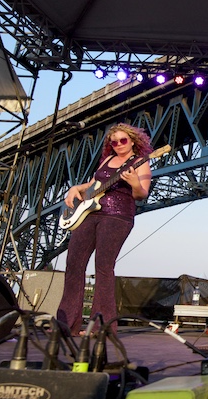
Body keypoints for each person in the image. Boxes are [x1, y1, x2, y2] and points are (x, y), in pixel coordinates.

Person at [57, 123, 153, 335]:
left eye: (123, 141)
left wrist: (134, 183)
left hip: (117, 216)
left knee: (103, 266)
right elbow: (93, 185)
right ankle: (67, 323)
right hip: (90, 213)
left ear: (133, 141)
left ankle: (101, 327)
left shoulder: (139, 163)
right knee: (73, 262)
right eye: (114, 142)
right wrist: (75, 188)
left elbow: (141, 194)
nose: (118, 145)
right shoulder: (108, 160)